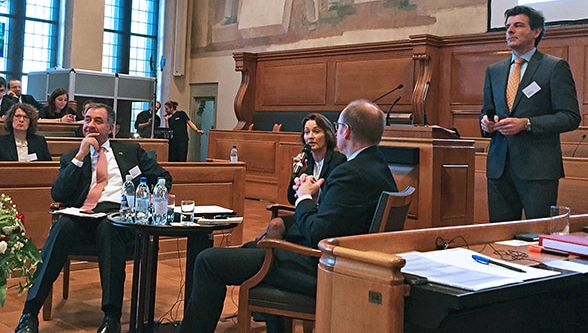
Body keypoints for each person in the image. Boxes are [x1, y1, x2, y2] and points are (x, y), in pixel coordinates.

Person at [178, 99, 398, 333]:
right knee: (252, 247)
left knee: (208, 261)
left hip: (322, 268)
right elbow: (337, 218)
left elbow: (317, 234)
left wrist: (304, 197)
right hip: (347, 262)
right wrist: (311, 201)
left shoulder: (350, 173)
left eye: (337, 125)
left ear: (345, 131)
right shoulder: (379, 167)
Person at [14, 103, 172, 333]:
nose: (91, 125)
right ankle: (29, 313)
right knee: (61, 227)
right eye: (87, 120)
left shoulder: (130, 151)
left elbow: (163, 178)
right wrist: (80, 156)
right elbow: (58, 194)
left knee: (109, 227)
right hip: (83, 215)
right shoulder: (71, 158)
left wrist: (150, 198)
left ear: (111, 127)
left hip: (119, 215)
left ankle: (111, 317)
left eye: (98, 121)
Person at [480, 5, 580, 222]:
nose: (510, 31)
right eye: (507, 27)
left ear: (536, 32)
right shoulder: (494, 71)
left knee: (538, 235)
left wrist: (526, 123)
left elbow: (570, 117)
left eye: (518, 25)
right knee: (499, 235)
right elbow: (486, 112)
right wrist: (486, 124)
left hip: (538, 169)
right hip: (499, 167)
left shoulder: (554, 67)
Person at [257, 112, 346, 240]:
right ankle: (268, 257)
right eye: (306, 132)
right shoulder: (305, 161)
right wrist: (298, 173)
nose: (310, 136)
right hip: (305, 214)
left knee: (276, 228)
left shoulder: (338, 161)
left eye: (316, 131)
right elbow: (291, 199)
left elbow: (334, 195)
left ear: (327, 135)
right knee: (275, 224)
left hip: (323, 218)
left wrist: (315, 191)